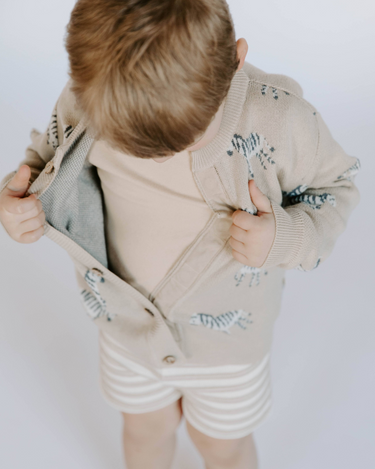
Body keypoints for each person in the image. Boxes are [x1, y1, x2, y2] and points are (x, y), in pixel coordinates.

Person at [0, 1, 361, 468]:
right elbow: (45, 155)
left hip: (230, 346)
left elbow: (336, 187)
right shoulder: (93, 96)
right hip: (125, 328)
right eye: (133, 145)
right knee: (145, 432)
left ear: (235, 59)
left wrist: (284, 237)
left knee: (222, 447)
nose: (157, 157)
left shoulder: (281, 120)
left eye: (183, 140)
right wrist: (18, 200)